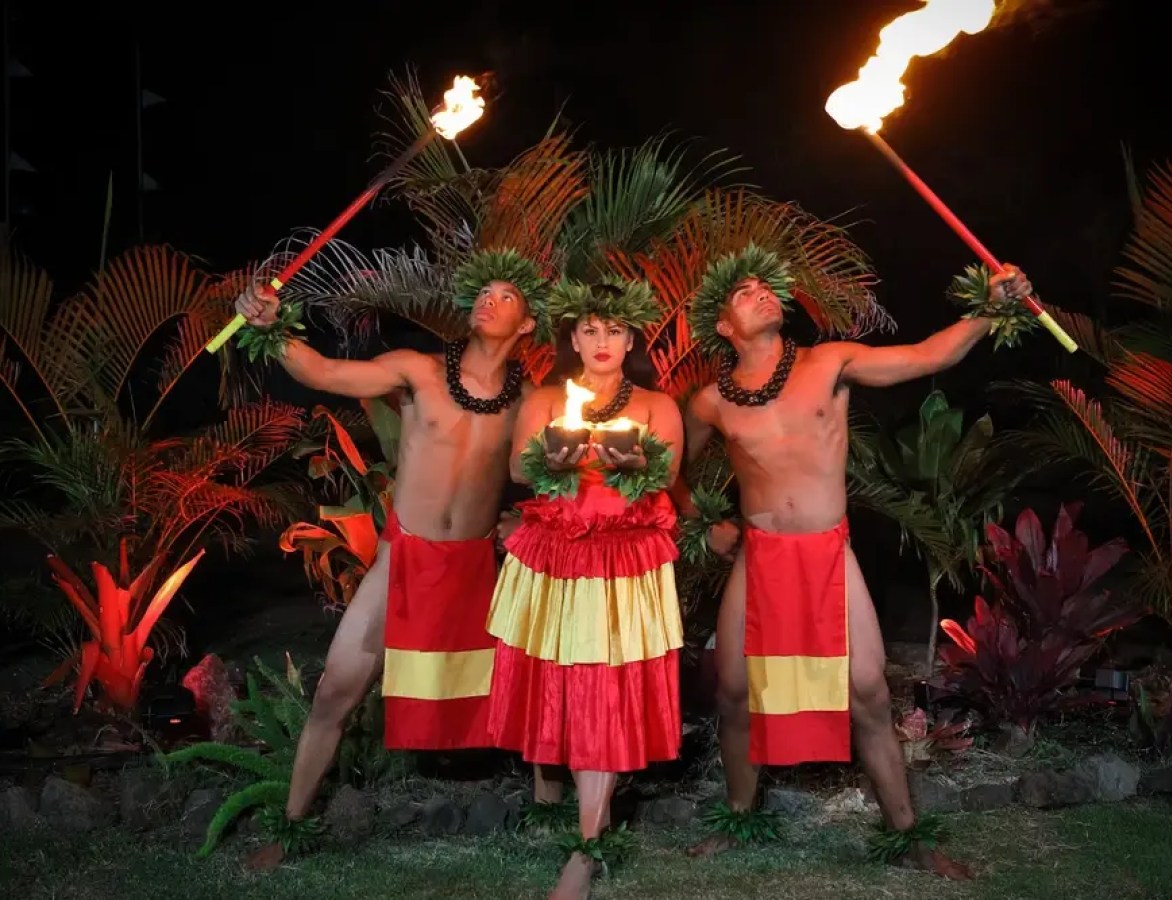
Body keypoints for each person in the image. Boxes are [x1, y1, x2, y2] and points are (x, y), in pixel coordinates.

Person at [674, 241, 1034, 879]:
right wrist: (708, 519)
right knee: (733, 692)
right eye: (743, 291)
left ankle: (910, 837)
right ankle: (738, 819)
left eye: (766, 285)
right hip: (760, 558)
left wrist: (988, 309)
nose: (761, 292)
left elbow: (926, 356)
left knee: (868, 693)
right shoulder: (711, 401)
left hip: (827, 554)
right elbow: (670, 468)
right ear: (725, 327)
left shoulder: (829, 362)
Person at [231, 248, 566, 869]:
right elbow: (327, 373)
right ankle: (293, 828)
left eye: (506, 297)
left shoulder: (533, 400)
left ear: (526, 325)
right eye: (483, 293)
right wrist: (273, 326)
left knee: (526, 682)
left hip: (476, 565)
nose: (490, 301)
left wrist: (535, 506)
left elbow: (539, 468)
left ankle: (551, 811)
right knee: (337, 689)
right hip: (406, 557)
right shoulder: (418, 371)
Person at [486, 278, 685, 899]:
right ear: (573, 337)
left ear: (631, 339)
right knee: (559, 684)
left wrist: (631, 459)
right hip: (556, 556)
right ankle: (562, 803)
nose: (602, 342)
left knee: (602, 684)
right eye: (591, 330)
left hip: (623, 560)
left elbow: (668, 471)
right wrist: (558, 451)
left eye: (615, 331)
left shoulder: (657, 404)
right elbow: (519, 468)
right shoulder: (547, 397)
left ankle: (587, 846)